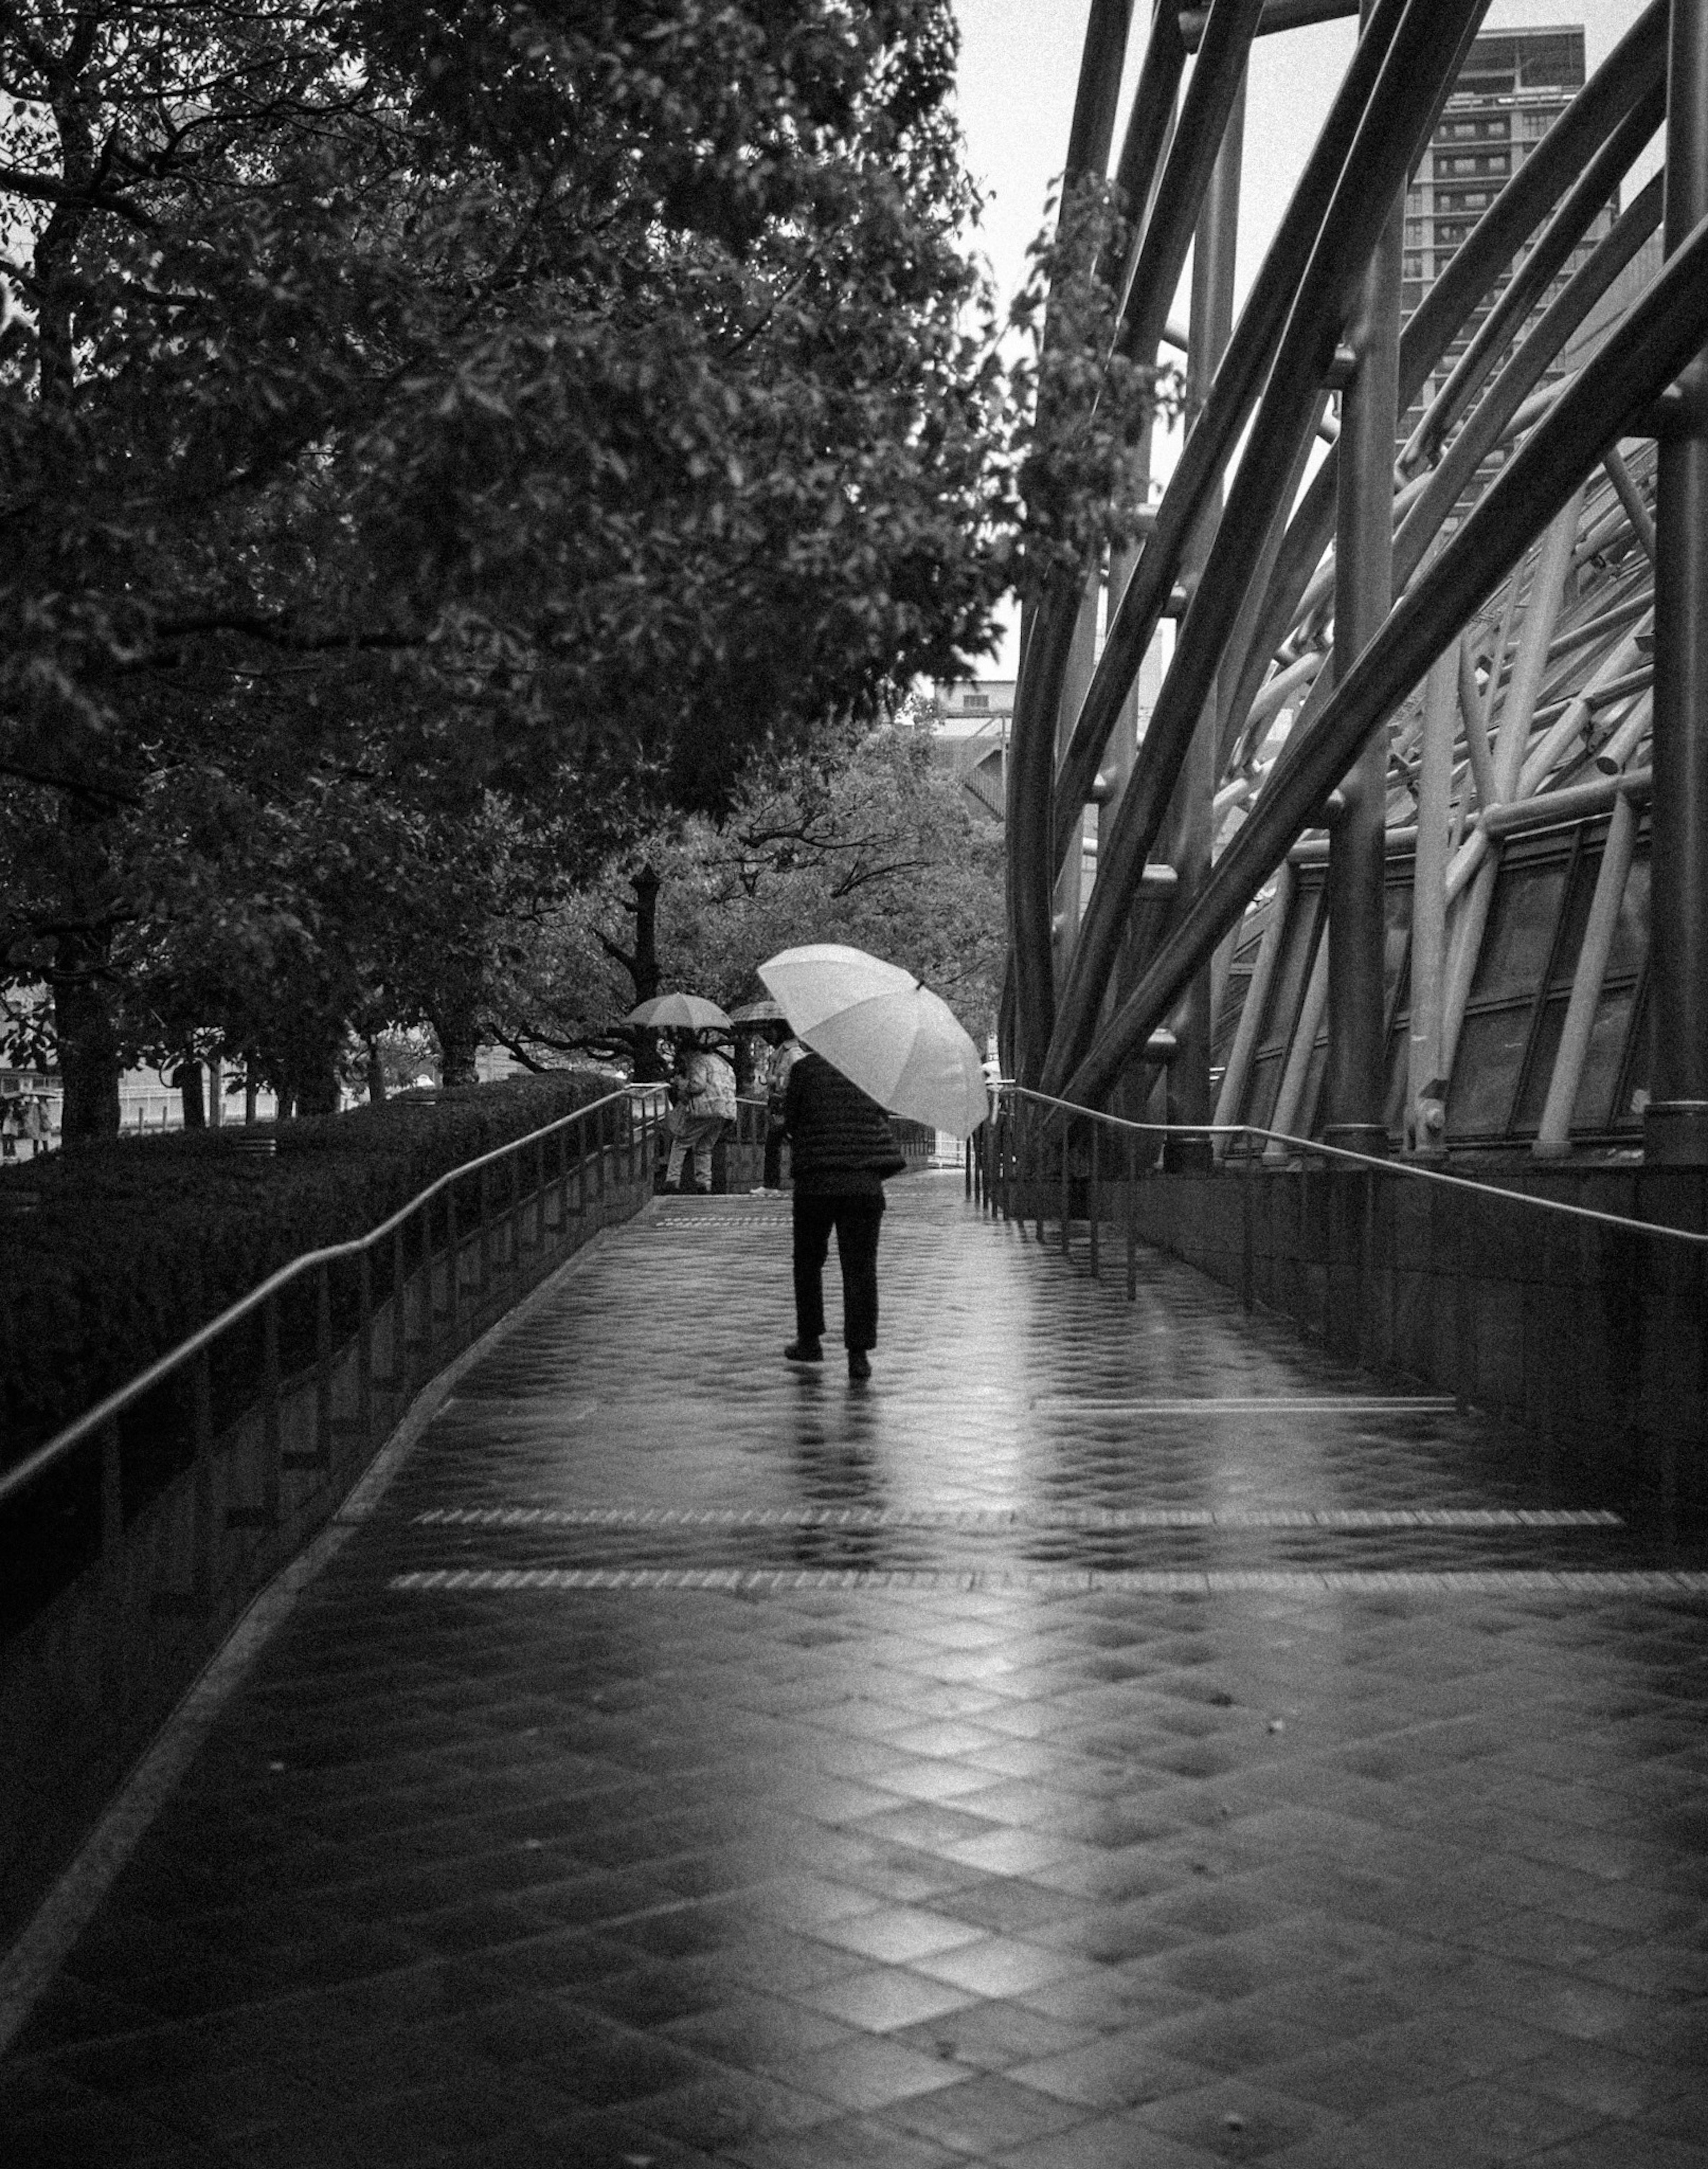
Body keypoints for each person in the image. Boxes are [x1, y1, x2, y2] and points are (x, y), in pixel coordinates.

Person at [781, 1049, 904, 1382]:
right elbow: (882, 1115)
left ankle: (809, 1340)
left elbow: (790, 1122)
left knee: (808, 1262)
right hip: (863, 1183)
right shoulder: (870, 1068)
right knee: (861, 1268)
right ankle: (858, 1356)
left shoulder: (804, 1070)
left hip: (816, 1181)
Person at [663, 1032, 736, 1194]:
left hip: (705, 1110)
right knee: (705, 1147)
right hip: (726, 1111)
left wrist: (682, 1085)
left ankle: (672, 1182)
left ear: (689, 1052)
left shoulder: (697, 1061)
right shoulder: (723, 1063)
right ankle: (704, 1184)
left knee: (681, 1142)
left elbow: (698, 1085)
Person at [760, 1030, 806, 1193]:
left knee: (782, 1142)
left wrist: (777, 1081)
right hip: (779, 1102)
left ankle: (773, 1184)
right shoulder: (780, 1053)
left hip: (786, 1103)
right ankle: (771, 1184)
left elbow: (797, 1076)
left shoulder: (793, 1053)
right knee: (775, 1142)